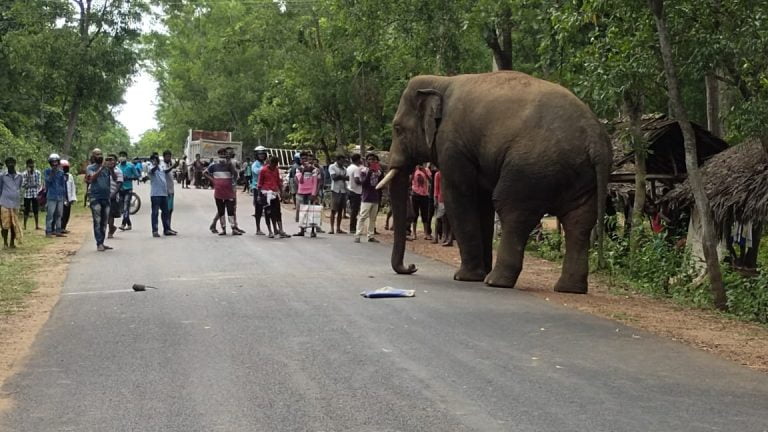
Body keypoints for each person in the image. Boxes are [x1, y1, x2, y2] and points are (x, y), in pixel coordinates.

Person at [205, 148, 244, 235]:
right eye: (221, 154)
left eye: (224, 154)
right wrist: (213, 180)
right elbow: (205, 172)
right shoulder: (214, 165)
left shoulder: (230, 164)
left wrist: (231, 167)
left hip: (229, 191)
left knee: (231, 210)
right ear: (218, 155)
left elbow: (236, 175)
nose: (223, 156)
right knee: (221, 211)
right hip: (219, 192)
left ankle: (233, 228)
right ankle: (223, 229)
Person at [85, 149, 117, 251]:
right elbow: (92, 179)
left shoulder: (107, 168)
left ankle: (102, 242)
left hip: (106, 197)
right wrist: (101, 168)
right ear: (93, 157)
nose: (99, 156)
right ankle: (99, 243)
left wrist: (111, 168)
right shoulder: (90, 167)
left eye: (100, 154)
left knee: (104, 221)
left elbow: (115, 178)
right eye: (97, 155)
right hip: (95, 197)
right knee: (97, 220)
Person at [257, 156, 290, 238]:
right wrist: (259, 195)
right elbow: (260, 183)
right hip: (265, 193)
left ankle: (280, 229)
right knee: (268, 213)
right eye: (273, 164)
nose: (274, 166)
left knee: (278, 212)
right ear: (270, 163)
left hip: (274, 193)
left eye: (275, 165)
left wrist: (281, 192)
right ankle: (270, 231)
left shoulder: (276, 170)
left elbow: (278, 181)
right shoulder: (263, 170)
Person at [354, 153, 382, 243]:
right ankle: (358, 235)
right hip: (366, 197)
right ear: (366, 161)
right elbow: (364, 183)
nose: (372, 161)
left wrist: (378, 171)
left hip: (375, 196)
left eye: (374, 159)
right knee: (363, 216)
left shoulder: (378, 172)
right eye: (370, 159)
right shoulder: (363, 171)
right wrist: (369, 172)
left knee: (373, 218)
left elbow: (381, 183)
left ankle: (370, 235)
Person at [147, 153, 174, 238]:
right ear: (151, 160)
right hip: (155, 194)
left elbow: (165, 172)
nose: (155, 160)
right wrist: (155, 164)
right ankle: (155, 230)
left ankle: (166, 229)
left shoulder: (161, 166)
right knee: (155, 212)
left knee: (165, 212)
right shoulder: (150, 166)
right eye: (153, 159)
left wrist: (173, 166)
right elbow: (152, 171)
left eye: (156, 159)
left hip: (164, 193)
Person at [0, 157, 23, 248]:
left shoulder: (19, 176)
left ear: (15, 163)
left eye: (12, 163)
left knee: (14, 224)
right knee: (5, 224)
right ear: (6, 165)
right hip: (4, 202)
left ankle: (12, 243)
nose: (10, 165)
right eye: (8, 163)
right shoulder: (2, 176)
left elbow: (19, 187)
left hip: (15, 203)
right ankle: (5, 243)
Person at [295, 156, 320, 238]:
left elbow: (315, 182)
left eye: (306, 159)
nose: (304, 161)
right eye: (303, 159)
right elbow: (300, 181)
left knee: (312, 211)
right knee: (302, 212)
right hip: (301, 192)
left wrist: (314, 193)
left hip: (310, 192)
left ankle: (313, 231)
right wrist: (303, 172)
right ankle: (302, 230)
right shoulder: (299, 169)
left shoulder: (314, 170)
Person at [44, 153, 67, 238]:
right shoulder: (47, 171)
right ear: (50, 163)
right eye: (53, 162)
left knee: (59, 214)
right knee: (50, 214)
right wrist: (52, 173)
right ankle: (48, 231)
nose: (55, 164)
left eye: (56, 162)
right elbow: (48, 182)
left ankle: (58, 230)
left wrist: (64, 197)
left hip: (60, 196)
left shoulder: (61, 172)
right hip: (51, 196)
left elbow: (63, 185)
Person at [117, 151, 139, 231]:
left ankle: (123, 224)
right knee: (122, 208)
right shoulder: (117, 166)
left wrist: (128, 178)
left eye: (123, 156)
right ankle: (129, 224)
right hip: (119, 189)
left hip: (128, 189)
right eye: (120, 156)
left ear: (126, 157)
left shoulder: (131, 166)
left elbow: (137, 176)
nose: (122, 157)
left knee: (126, 206)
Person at [411, 163, 433, 240]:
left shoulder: (426, 170)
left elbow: (430, 180)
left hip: (424, 195)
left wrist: (425, 173)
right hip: (415, 194)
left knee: (425, 214)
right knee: (415, 214)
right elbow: (410, 180)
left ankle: (426, 233)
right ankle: (414, 233)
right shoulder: (414, 170)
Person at [432, 168, 453, 246]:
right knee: (440, 218)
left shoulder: (450, 174)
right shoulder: (438, 174)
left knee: (450, 219)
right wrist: (435, 199)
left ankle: (449, 237)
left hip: (450, 199)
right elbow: (436, 188)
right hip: (441, 199)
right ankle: (440, 236)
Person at [250, 146, 268, 235]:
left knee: (268, 208)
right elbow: (257, 172)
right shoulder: (255, 164)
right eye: (259, 154)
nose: (261, 156)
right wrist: (265, 168)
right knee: (258, 209)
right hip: (257, 188)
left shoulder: (265, 164)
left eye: (263, 154)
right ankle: (258, 229)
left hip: (266, 188)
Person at [105, 154, 124, 239]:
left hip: (113, 194)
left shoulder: (118, 171)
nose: (110, 161)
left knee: (111, 214)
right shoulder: (103, 169)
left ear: (116, 161)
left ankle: (110, 231)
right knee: (104, 215)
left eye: (112, 160)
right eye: (108, 160)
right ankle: (112, 227)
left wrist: (114, 194)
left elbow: (119, 183)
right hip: (103, 195)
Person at [328, 154, 348, 234]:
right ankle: (332, 228)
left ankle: (338, 228)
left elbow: (347, 178)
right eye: (342, 160)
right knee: (333, 210)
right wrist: (342, 177)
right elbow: (334, 177)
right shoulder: (332, 167)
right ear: (338, 160)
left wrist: (340, 176)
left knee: (340, 210)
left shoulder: (344, 169)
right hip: (335, 190)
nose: (343, 162)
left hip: (343, 190)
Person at [20, 159, 41, 230]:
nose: (31, 166)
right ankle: (24, 225)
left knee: (36, 209)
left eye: (32, 164)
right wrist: (29, 176)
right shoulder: (24, 174)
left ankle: (37, 225)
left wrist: (30, 185)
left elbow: (38, 184)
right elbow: (23, 185)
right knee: (26, 209)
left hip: (35, 194)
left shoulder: (37, 173)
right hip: (27, 194)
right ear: (27, 165)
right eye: (29, 164)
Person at [162, 150, 180, 232]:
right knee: (166, 210)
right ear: (164, 157)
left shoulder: (169, 164)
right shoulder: (162, 165)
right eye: (167, 156)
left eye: (170, 156)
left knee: (170, 210)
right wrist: (173, 166)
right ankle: (166, 228)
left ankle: (169, 227)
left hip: (171, 190)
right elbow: (165, 171)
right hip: (165, 191)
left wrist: (174, 166)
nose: (169, 158)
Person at [346, 153, 362, 234]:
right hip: (356, 191)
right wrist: (363, 182)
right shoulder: (356, 169)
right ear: (358, 160)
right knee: (355, 210)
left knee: (353, 209)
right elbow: (357, 180)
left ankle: (353, 227)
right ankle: (353, 228)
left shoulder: (349, 168)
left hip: (350, 189)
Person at [60, 160, 77, 233]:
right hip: (61, 198)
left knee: (67, 213)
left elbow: (73, 187)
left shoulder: (70, 176)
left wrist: (73, 198)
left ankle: (64, 227)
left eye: (67, 167)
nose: (66, 169)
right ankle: (59, 227)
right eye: (64, 167)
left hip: (68, 198)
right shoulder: (59, 176)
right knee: (61, 214)